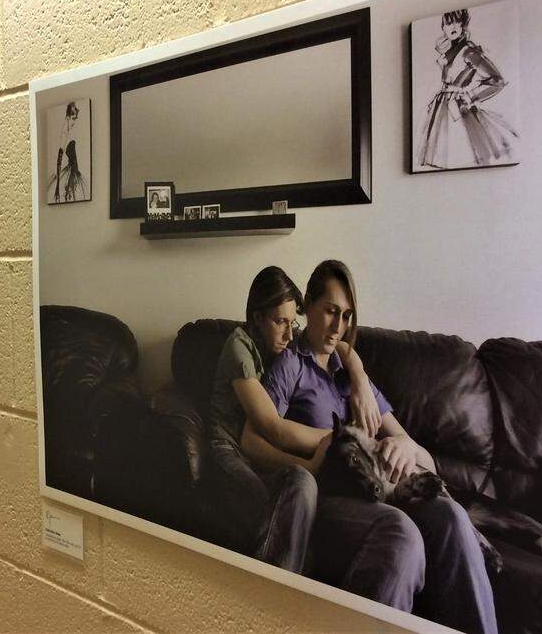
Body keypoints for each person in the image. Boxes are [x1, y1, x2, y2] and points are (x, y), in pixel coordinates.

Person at [260, 260, 497, 634]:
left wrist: (403, 444)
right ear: (308, 304)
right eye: (331, 311)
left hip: (381, 492)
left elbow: (427, 461)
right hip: (330, 495)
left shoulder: (353, 375)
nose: (339, 327)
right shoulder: (291, 365)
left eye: (348, 316)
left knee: (451, 517)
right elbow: (257, 437)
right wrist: (312, 461)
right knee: (401, 533)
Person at [206, 266, 380, 573]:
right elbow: (271, 426)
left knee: (296, 504)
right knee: (273, 513)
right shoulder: (239, 348)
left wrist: (358, 372)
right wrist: (335, 438)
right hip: (228, 447)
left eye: (292, 321)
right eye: (280, 321)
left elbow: (334, 342)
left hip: (254, 451)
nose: (289, 333)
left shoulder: (280, 344)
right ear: (258, 317)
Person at [417, 8, 518, 169]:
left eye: (458, 22)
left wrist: (471, 96)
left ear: (464, 25)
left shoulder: (469, 52)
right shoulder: (447, 52)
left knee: (459, 159)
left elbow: (497, 81)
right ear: (443, 27)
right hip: (440, 111)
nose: (453, 26)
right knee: (437, 162)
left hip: (457, 113)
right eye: (449, 23)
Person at [51, 101, 86, 202]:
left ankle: (68, 192)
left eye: (75, 116)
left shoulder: (75, 129)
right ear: (67, 117)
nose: (74, 120)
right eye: (72, 117)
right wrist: (57, 187)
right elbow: (61, 149)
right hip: (69, 153)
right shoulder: (66, 129)